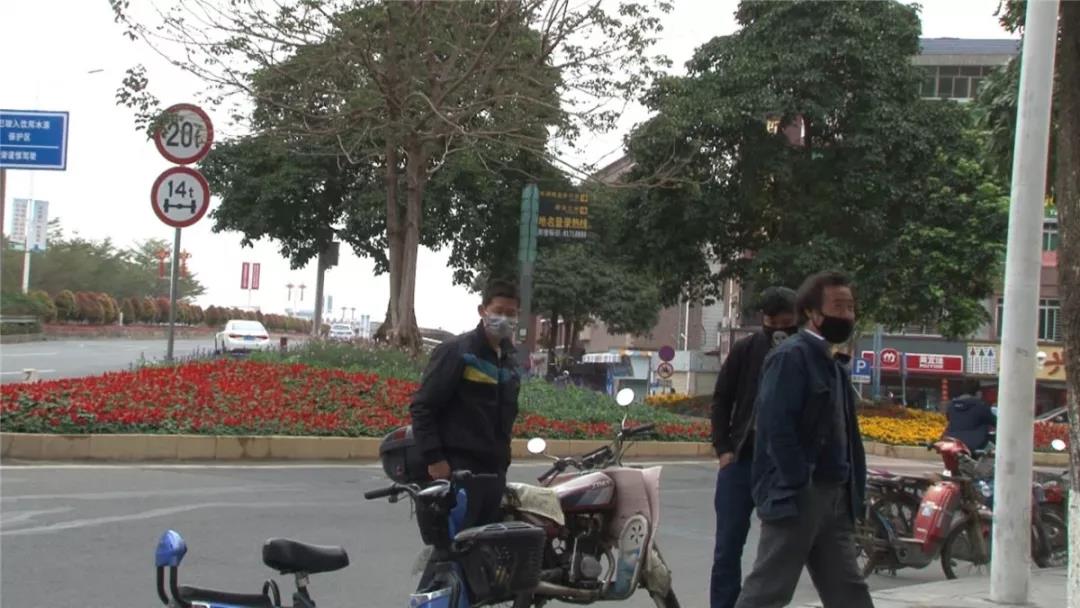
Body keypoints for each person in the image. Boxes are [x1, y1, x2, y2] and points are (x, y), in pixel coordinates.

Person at [734, 271, 872, 608]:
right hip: (799, 496)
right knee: (768, 591)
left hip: (835, 497)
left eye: (851, 307)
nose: (847, 315)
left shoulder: (833, 363)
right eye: (838, 306)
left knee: (849, 592)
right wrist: (798, 481)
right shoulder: (791, 357)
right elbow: (775, 427)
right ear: (811, 312)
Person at [710, 287, 798, 608]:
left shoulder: (804, 354)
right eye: (774, 324)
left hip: (781, 468)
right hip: (741, 459)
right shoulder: (746, 350)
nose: (780, 331)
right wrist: (724, 449)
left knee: (775, 552)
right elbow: (722, 400)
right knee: (727, 548)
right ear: (764, 319)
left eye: (788, 324)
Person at [409, 278, 521, 526]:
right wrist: (435, 459)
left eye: (511, 313)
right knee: (457, 543)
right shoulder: (458, 351)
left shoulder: (510, 362)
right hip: (457, 469)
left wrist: (502, 463)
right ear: (483, 311)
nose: (504, 318)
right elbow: (423, 406)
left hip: (493, 471)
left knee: (487, 544)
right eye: (498, 311)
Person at [944, 381, 996, 452]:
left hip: (952, 441)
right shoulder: (981, 406)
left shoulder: (951, 406)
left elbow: (949, 419)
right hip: (975, 443)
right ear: (978, 393)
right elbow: (994, 421)